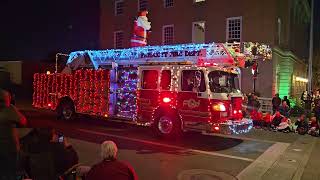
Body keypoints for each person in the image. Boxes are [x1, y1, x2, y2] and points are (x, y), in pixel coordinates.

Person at [0, 89, 27, 180]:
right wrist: (14, 109)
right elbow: (23, 121)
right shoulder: (8, 109)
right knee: (11, 172)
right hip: (9, 148)